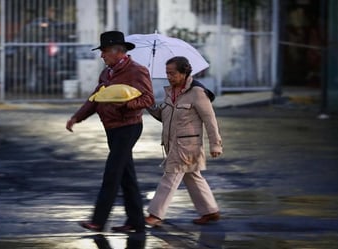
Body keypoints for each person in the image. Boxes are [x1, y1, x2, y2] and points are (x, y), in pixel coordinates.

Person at [66, 31, 154, 233]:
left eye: (104, 51)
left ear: (118, 51)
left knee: (112, 172)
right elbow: (95, 99)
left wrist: (126, 104)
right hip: (112, 129)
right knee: (126, 176)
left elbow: (148, 99)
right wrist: (77, 117)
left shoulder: (136, 71)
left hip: (129, 127)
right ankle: (136, 222)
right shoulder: (107, 74)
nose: (102, 56)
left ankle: (98, 220)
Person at [145, 56, 223, 227]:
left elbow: (210, 120)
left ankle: (155, 214)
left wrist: (215, 144)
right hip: (172, 144)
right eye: (167, 73)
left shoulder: (197, 92)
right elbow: (163, 117)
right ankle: (210, 211)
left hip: (187, 147)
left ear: (184, 73)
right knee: (193, 176)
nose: (169, 77)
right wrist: (149, 105)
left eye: (172, 73)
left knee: (170, 177)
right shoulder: (170, 92)